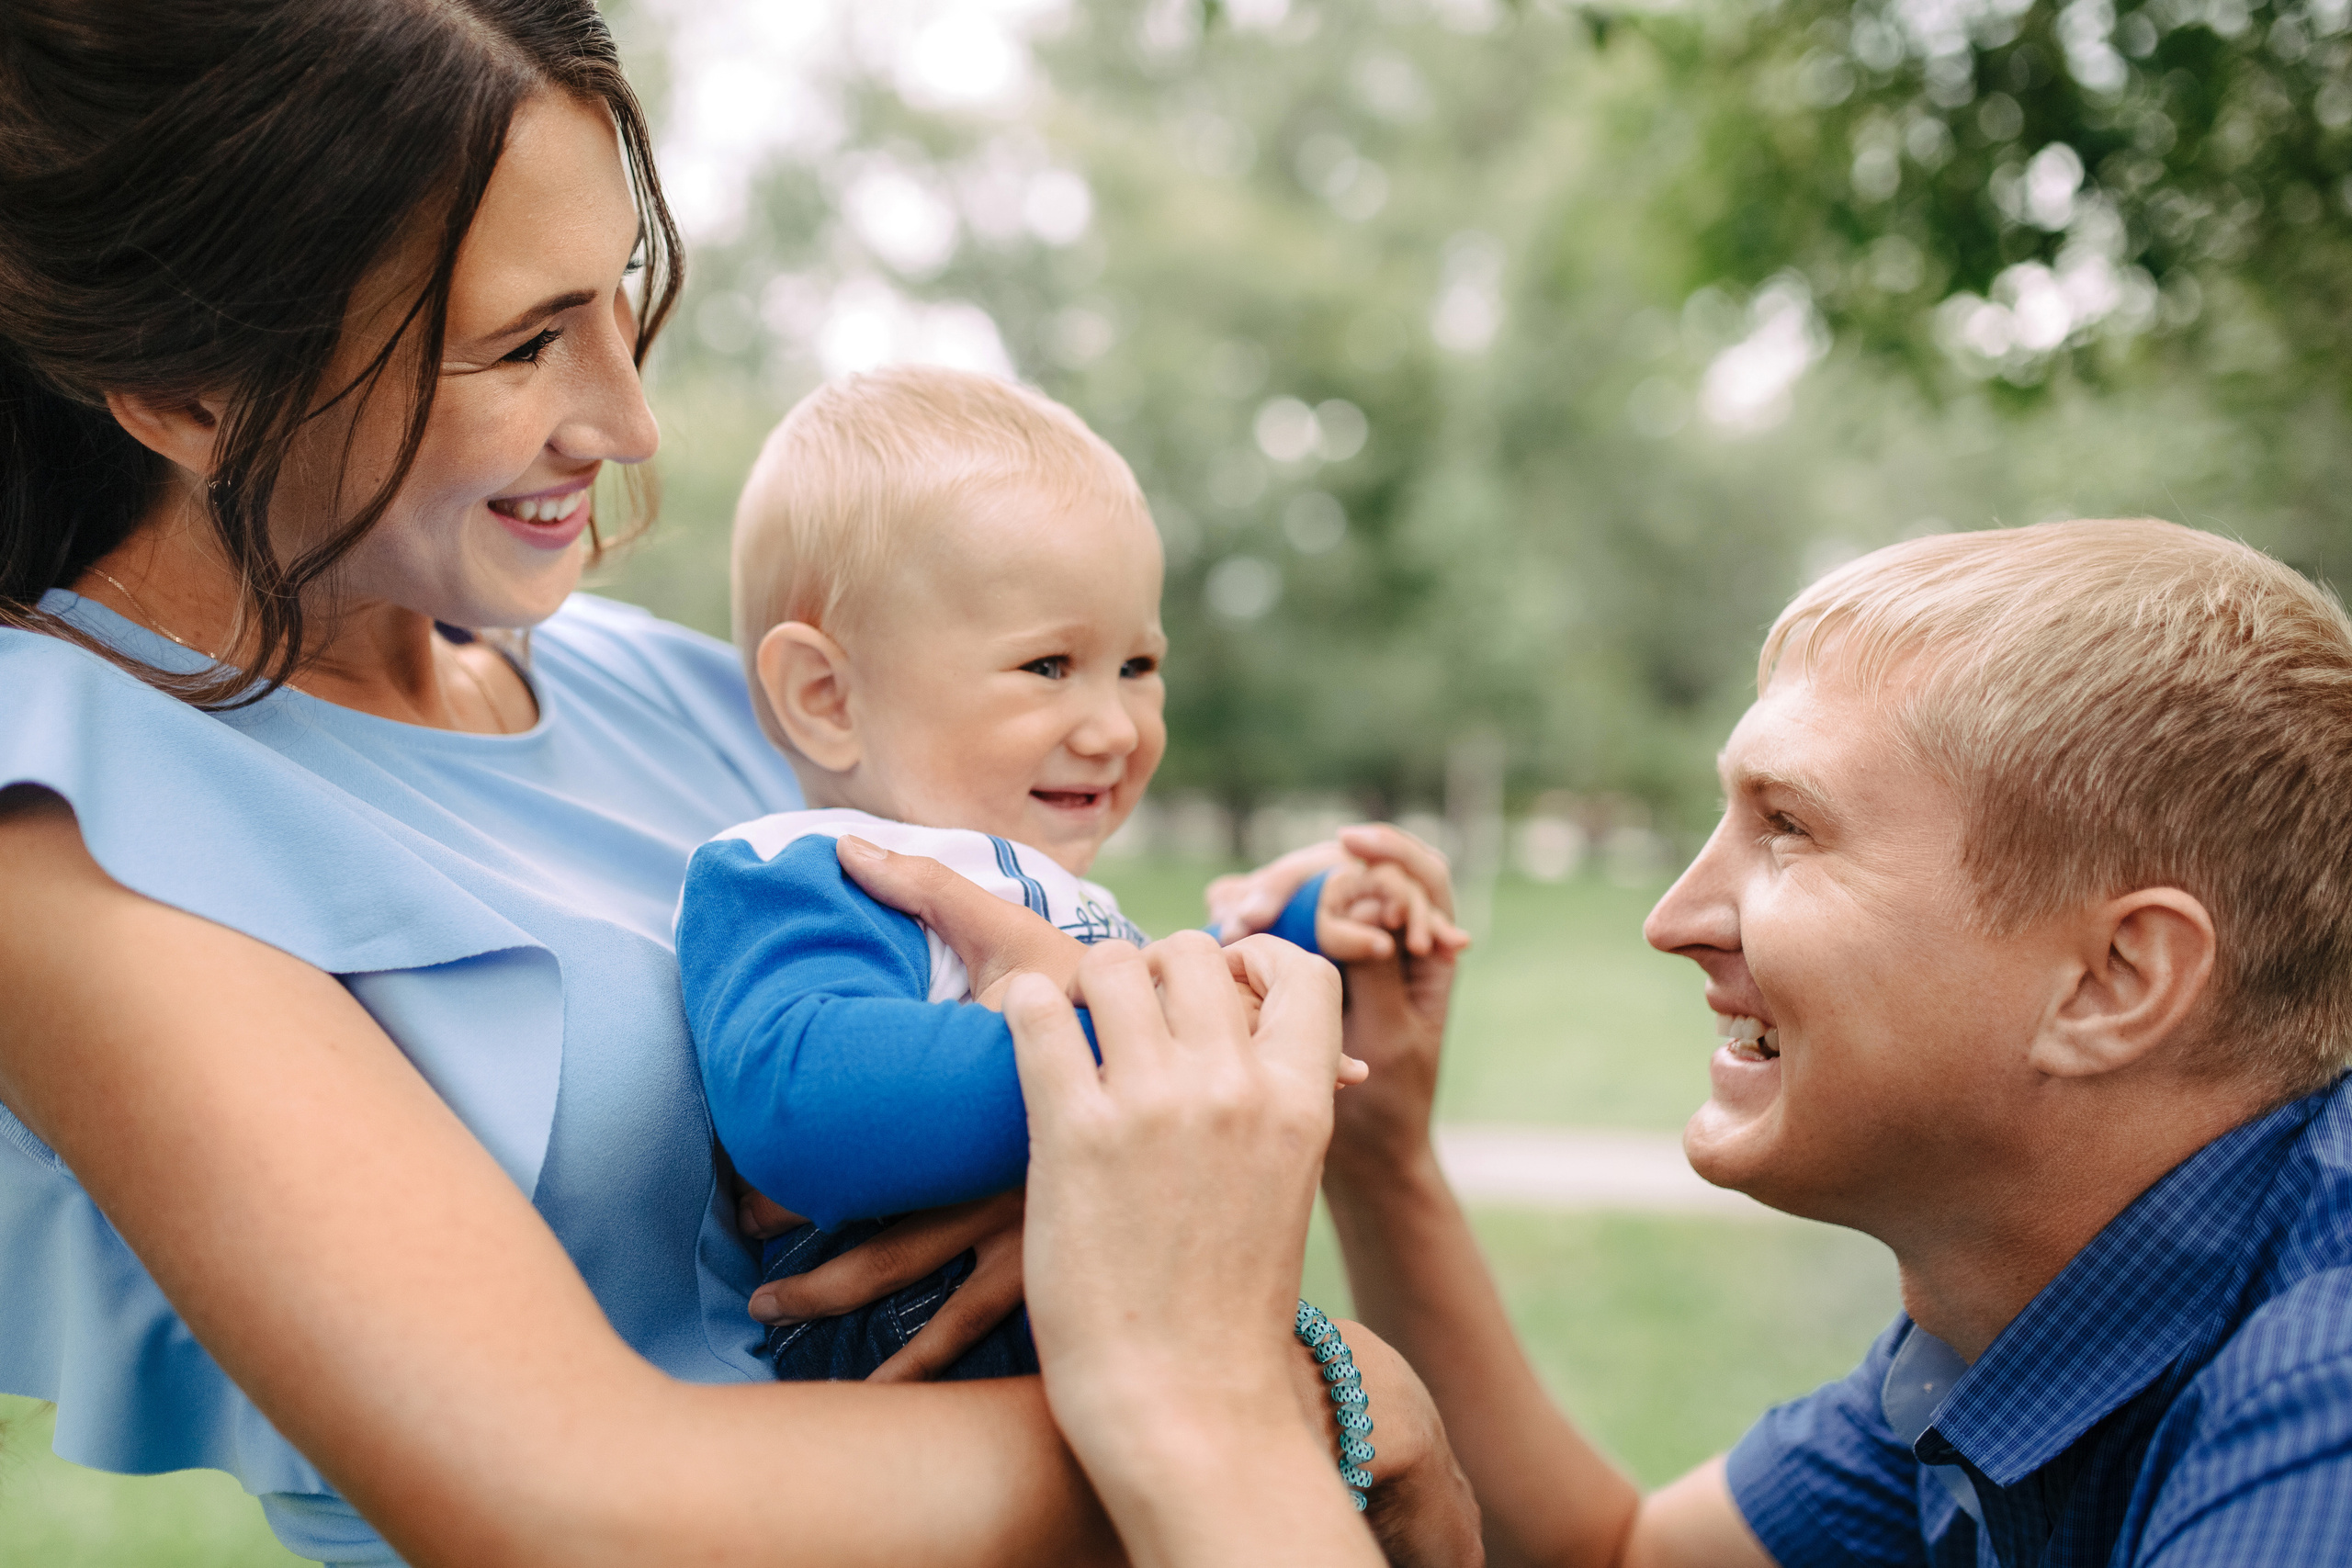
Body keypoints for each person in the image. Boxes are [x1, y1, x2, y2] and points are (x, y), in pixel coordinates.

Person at [0, 5, 1479, 1564]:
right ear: (185, 391)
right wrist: (1309, 1400)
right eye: (522, 344)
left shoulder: (678, 692)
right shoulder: (69, 824)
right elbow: (570, 1501)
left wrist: (1113, 1084)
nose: (629, 421)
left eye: (617, 304)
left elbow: (1011, 968)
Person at [1186, 519, 2352, 1565]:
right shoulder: (2023, 1305)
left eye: (1787, 828)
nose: (1672, 922)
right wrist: (1379, 1150)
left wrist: (1182, 1405)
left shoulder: (2319, 1414)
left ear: (2111, 981)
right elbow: (1614, 1556)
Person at [676, 366, 1463, 1384]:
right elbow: (796, 1101)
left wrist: (1307, 928)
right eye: (1048, 667)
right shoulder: (810, 873)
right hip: (921, 1410)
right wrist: (1137, 1046)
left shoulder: (1034, 885)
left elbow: (1136, 994)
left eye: (1138, 666)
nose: (1114, 728)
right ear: (827, 695)